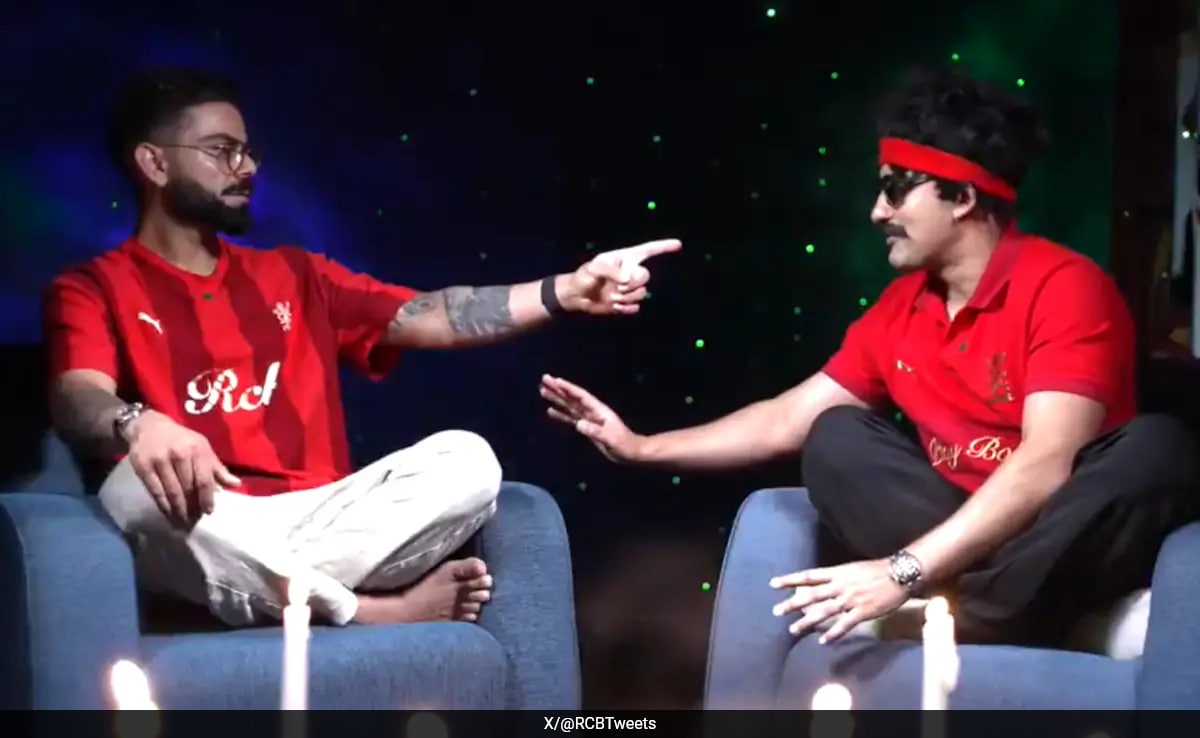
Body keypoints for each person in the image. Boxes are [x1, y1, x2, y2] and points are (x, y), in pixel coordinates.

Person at [541, 68, 1200, 647]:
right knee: (835, 436)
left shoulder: (1065, 286)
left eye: (896, 190)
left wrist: (900, 573)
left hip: (1054, 537)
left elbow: (1045, 463)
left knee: (1158, 449)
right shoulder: (900, 307)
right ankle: (1016, 612)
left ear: (963, 197)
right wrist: (642, 447)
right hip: (959, 538)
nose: (877, 211)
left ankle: (978, 616)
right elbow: (786, 419)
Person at [44, 66, 681, 629]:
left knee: (468, 460)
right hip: (208, 516)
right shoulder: (92, 287)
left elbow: (434, 315)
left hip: (321, 515)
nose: (247, 168)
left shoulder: (295, 275)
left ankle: (276, 592)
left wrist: (567, 290)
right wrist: (138, 423)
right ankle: (365, 611)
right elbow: (77, 396)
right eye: (222, 151)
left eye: (248, 151)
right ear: (154, 163)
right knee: (127, 493)